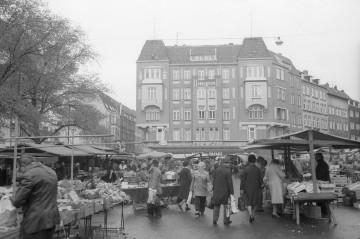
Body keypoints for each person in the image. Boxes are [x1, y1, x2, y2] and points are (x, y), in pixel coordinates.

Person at [11, 154, 60, 239]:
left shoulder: (29, 175)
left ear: (23, 166)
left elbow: (17, 200)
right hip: (51, 219)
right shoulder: (51, 171)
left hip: (36, 222)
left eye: (20, 169)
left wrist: (11, 199)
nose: (20, 171)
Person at [240, 154, 262, 223]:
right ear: (255, 160)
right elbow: (261, 180)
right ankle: (252, 214)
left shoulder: (245, 169)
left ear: (248, 161)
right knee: (255, 203)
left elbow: (242, 180)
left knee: (248, 202)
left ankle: (250, 214)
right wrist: (259, 185)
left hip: (247, 188)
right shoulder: (258, 170)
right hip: (256, 188)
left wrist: (241, 189)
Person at [212, 156, 234, 225]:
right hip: (225, 192)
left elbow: (214, 181)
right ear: (225, 163)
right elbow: (230, 183)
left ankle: (214, 219)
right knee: (227, 206)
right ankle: (226, 220)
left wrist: (214, 189)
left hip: (217, 191)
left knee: (216, 206)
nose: (230, 164)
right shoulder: (228, 171)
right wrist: (232, 193)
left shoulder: (216, 170)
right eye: (229, 163)